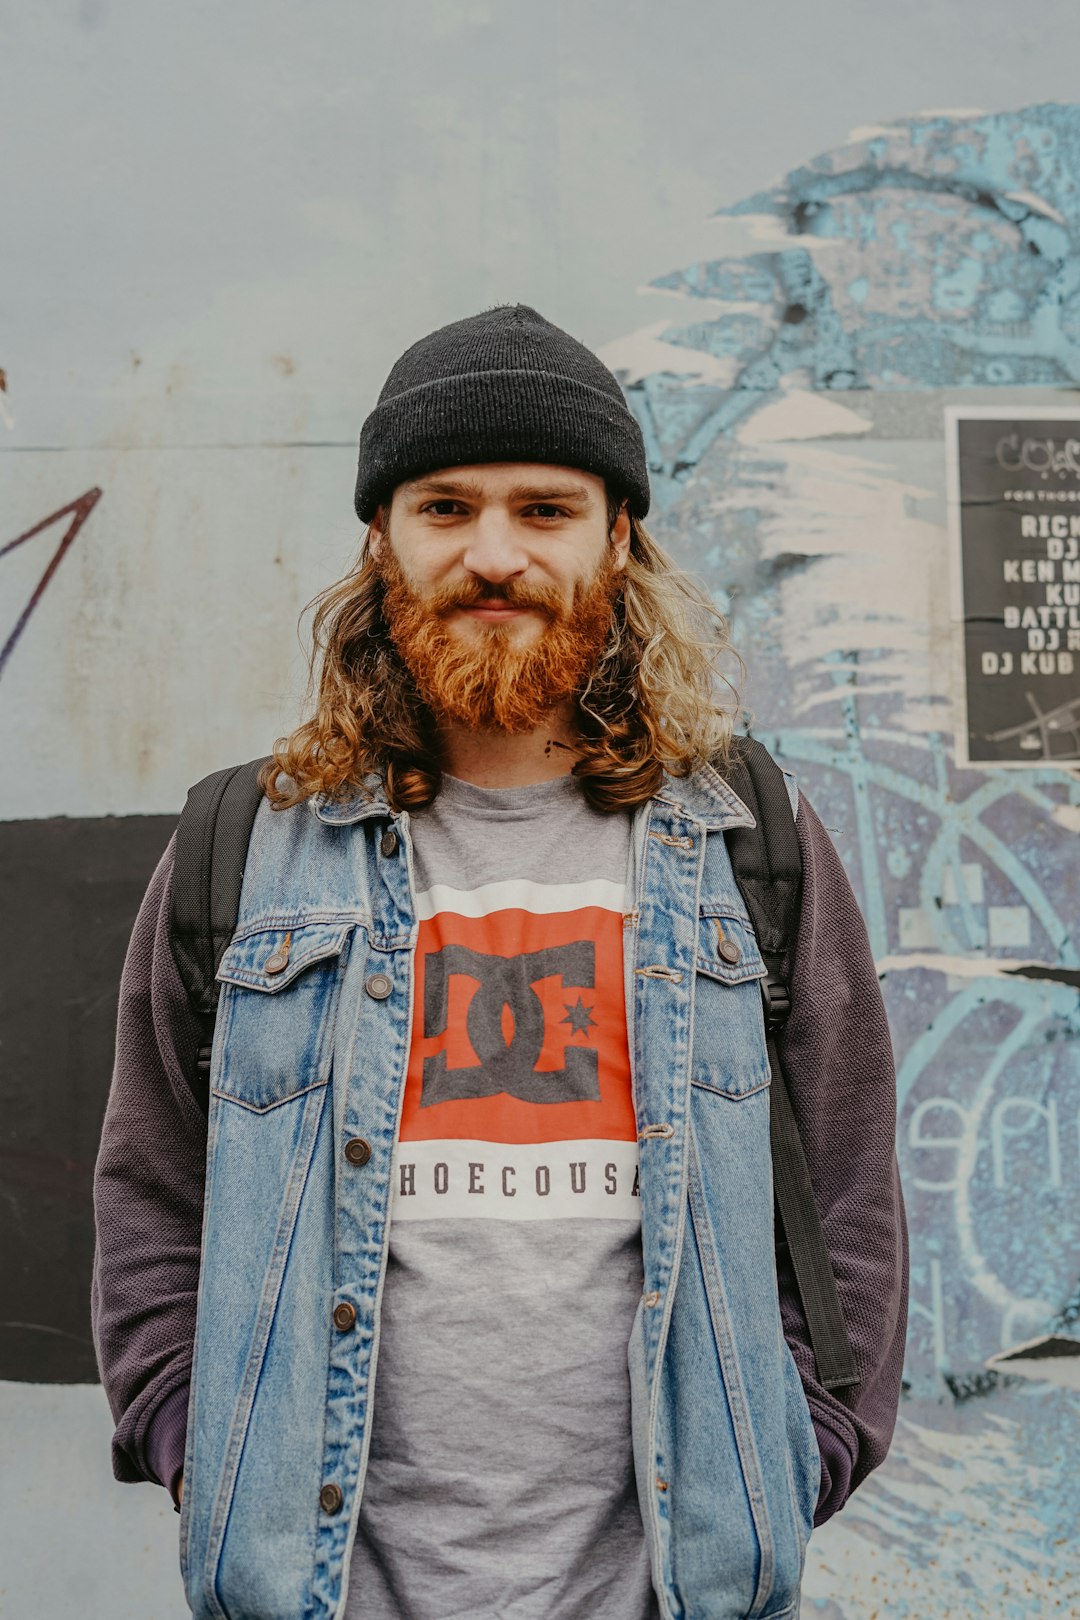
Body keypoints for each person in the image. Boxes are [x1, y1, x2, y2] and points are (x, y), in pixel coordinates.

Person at [91, 303, 907, 1620]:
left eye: (543, 510)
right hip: (324, 1591)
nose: (493, 555)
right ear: (382, 539)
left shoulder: (750, 839)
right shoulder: (241, 850)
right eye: (445, 508)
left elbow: (853, 1191)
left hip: (669, 1592)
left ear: (617, 535)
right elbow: (150, 1200)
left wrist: (793, 1453)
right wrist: (203, 1451)